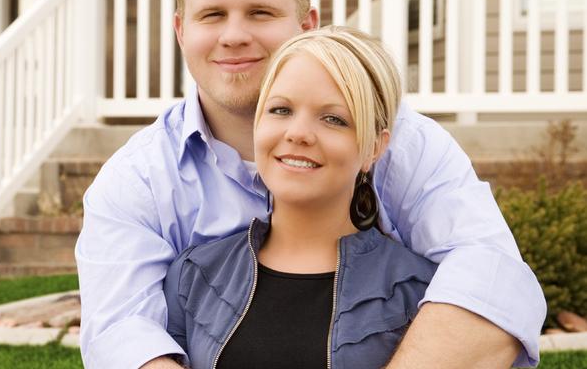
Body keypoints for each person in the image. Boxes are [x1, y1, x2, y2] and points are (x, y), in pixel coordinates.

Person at [75, 0, 545, 369]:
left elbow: (493, 278)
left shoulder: (406, 143)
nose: (234, 35)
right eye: (212, 15)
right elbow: (120, 334)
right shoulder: (136, 180)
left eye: (260, 12)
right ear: (181, 29)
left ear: (306, 24)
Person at [163, 26, 439, 369]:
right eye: (280, 110)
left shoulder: (420, 292)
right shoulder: (193, 276)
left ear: (373, 147)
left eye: (333, 119)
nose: (298, 134)